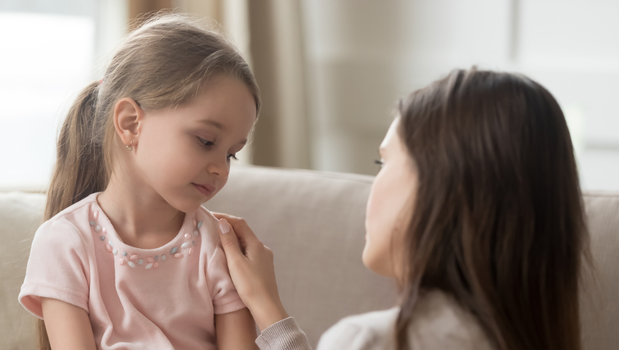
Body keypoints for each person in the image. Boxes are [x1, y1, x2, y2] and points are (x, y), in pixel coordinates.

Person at [214, 68, 589, 350]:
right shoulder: (522, 335)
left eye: (383, 164)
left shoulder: (372, 340)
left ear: (440, 187)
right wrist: (267, 307)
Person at [18, 14, 260, 350]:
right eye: (206, 141)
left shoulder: (217, 247)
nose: (221, 168)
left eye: (232, 154)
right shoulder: (65, 242)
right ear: (131, 123)